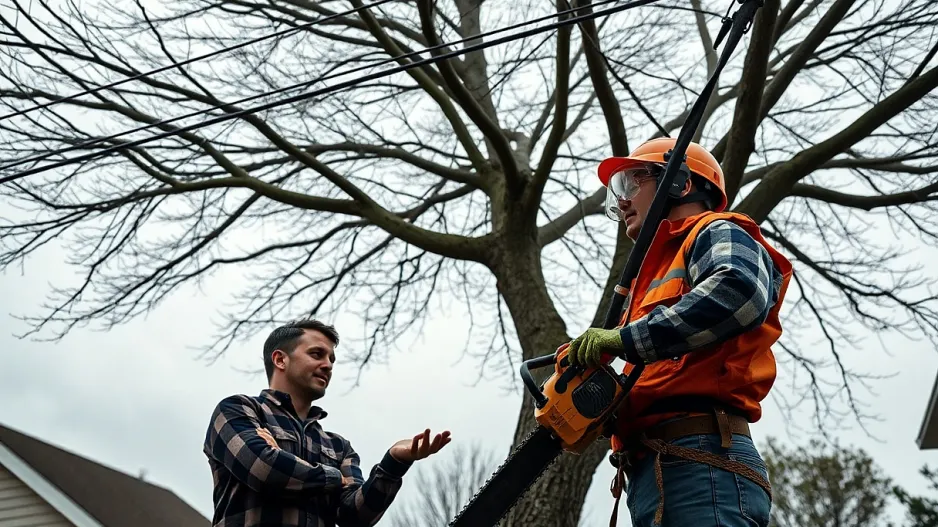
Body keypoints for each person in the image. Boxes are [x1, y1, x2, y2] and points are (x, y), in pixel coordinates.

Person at [565, 137, 793, 527]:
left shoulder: (716, 231)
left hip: (703, 459)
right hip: (657, 468)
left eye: (631, 183)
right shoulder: (648, 279)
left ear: (680, 183)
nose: (622, 201)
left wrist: (624, 340)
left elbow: (739, 291)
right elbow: (663, 374)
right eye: (617, 191)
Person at [203, 319, 451, 527]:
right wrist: (334, 478)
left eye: (332, 359)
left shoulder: (339, 446)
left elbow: (355, 516)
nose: (328, 365)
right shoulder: (238, 409)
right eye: (316, 354)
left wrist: (394, 462)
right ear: (280, 360)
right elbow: (264, 469)